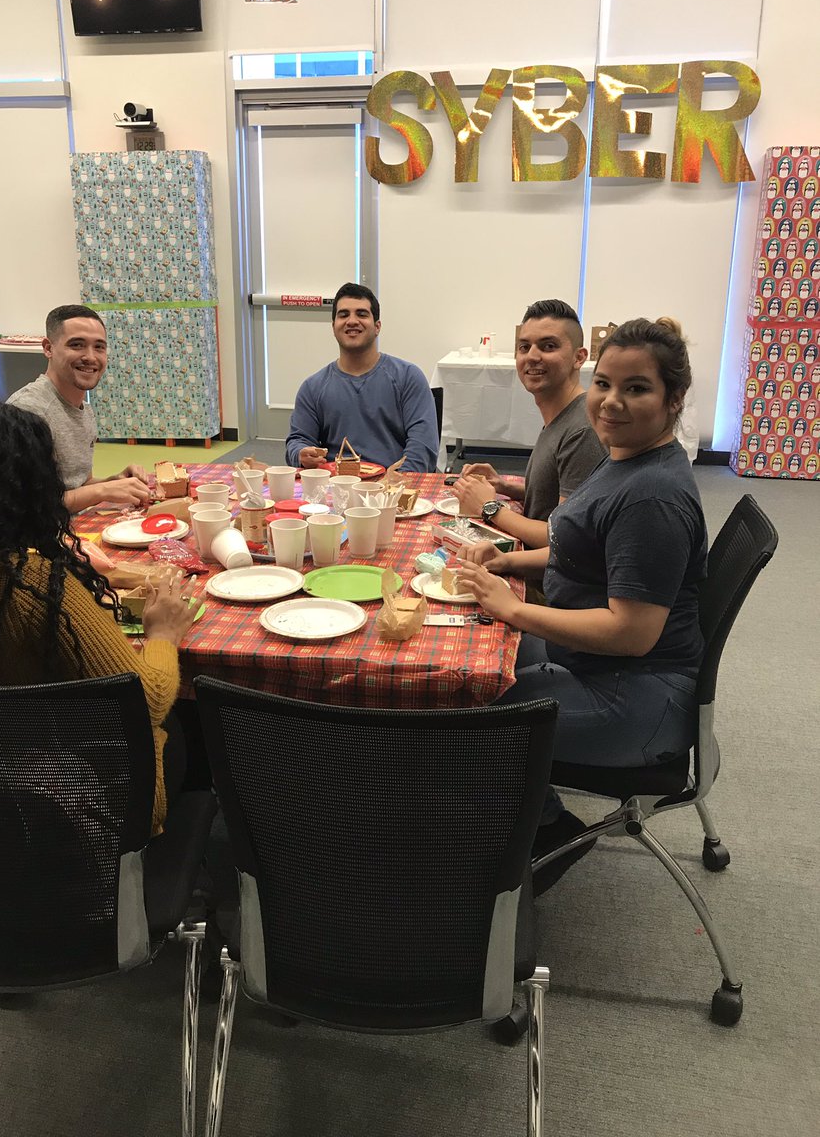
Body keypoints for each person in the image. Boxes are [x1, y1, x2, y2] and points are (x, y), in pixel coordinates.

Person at [457, 317, 708, 889]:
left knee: (462, 711)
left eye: (636, 388)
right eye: (605, 384)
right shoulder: (625, 461)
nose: (611, 402)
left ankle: (544, 831)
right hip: (601, 669)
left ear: (674, 400)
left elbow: (631, 632)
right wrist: (507, 562)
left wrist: (514, 607)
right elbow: (576, 546)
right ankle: (513, 814)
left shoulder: (653, 498)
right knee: (472, 658)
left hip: (638, 695)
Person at [0, 401, 200, 836]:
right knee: (187, 725)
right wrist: (163, 633)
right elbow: (149, 697)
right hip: (77, 805)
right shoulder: (31, 584)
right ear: (30, 488)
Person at [453, 299, 606, 598]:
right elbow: (563, 499)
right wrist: (505, 487)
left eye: (548, 346)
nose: (532, 357)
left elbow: (561, 538)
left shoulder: (582, 431)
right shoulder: (560, 414)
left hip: (551, 591)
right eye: (524, 347)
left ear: (579, 357)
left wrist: (491, 507)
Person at [7, 304, 151, 513]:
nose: (91, 357)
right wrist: (104, 491)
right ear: (48, 348)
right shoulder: (29, 411)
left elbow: (78, 486)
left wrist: (113, 482)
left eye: (99, 347)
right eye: (77, 345)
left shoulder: (84, 410)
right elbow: (29, 506)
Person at [285, 283, 439, 472]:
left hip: (393, 488)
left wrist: (395, 485)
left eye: (362, 314)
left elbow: (422, 446)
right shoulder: (312, 387)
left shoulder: (408, 377)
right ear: (334, 327)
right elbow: (298, 441)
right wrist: (301, 453)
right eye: (343, 315)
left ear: (377, 327)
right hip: (335, 487)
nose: (352, 321)